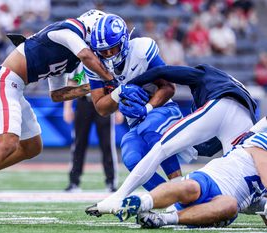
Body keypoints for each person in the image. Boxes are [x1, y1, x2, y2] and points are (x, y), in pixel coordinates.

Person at [0, 9, 113, 224]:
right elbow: (85, 54)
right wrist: (109, 78)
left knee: (33, 147)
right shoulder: (69, 29)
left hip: (16, 87)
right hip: (3, 80)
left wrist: (91, 87)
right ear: (92, 26)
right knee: (8, 143)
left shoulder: (72, 57)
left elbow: (57, 94)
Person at [85, 64, 257, 218]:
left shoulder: (204, 74)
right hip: (245, 119)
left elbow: (162, 71)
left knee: (161, 147)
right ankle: (261, 204)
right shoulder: (233, 85)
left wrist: (131, 84)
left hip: (222, 105)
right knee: (239, 186)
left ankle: (118, 197)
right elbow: (209, 148)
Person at [85, 14, 188, 194]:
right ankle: (171, 198)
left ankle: (178, 185)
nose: (108, 55)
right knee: (131, 158)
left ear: (124, 40)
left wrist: (147, 108)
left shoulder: (141, 50)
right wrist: (119, 92)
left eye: (112, 48)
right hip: (135, 122)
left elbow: (169, 87)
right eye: (103, 51)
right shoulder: (95, 63)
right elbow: (101, 108)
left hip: (163, 110)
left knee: (150, 129)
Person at [114, 116, 267, 228]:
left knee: (231, 205)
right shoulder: (261, 141)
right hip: (211, 179)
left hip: (220, 206)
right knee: (191, 187)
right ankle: (140, 203)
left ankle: (162, 219)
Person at [63, 64, 121, 192]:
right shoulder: (79, 60)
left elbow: (115, 84)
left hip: (104, 100)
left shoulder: (105, 59)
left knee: (107, 144)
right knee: (79, 143)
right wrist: (67, 108)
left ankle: (111, 182)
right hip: (84, 102)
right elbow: (72, 82)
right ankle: (74, 181)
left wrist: (118, 109)